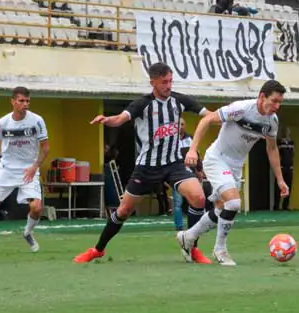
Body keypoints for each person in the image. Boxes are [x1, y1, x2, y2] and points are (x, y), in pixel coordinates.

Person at [73, 62, 211, 264]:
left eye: (170, 81)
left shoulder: (179, 100)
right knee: (123, 211)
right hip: (146, 167)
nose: (168, 85)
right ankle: (98, 249)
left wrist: (231, 116)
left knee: (198, 197)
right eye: (164, 82)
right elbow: (121, 119)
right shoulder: (142, 104)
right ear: (152, 82)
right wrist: (106, 119)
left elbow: (208, 115)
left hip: (174, 164)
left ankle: (191, 248)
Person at [176, 80, 289, 266]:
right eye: (274, 101)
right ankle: (220, 250)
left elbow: (272, 149)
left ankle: (188, 236)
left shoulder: (271, 121)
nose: (277, 106)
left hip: (235, 165)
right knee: (234, 202)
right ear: (262, 97)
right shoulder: (241, 109)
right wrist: (192, 150)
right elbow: (206, 120)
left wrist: (280, 179)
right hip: (217, 158)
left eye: (280, 103)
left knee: (222, 207)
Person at [0, 86, 49, 255]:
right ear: (13, 101)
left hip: (28, 169)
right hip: (6, 169)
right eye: (21, 101)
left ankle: (27, 233)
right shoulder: (2, 123)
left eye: (28, 101)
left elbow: (45, 148)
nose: (25, 104)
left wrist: (34, 167)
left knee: (37, 207)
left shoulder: (37, 121)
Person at [173, 117, 204, 230]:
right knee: (177, 203)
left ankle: (197, 226)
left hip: (191, 175)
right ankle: (179, 227)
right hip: (176, 174)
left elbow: (196, 155)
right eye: (178, 124)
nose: (180, 127)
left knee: (196, 200)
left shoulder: (191, 139)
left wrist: (199, 170)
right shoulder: (170, 140)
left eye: (182, 124)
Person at [274, 126, 294, 211]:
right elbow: (276, 153)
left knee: (289, 186)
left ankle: (286, 206)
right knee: (279, 186)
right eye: (284, 131)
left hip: (290, 167)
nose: (286, 133)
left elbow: (293, 154)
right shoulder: (279, 142)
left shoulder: (292, 142)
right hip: (281, 167)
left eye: (287, 131)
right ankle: (276, 206)